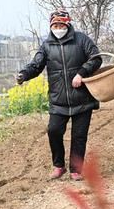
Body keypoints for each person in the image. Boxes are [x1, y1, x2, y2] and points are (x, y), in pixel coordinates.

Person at [16, 9, 102, 181]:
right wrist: (24, 74)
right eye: (55, 25)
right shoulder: (46, 45)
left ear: (67, 23)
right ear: (51, 26)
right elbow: (36, 65)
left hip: (82, 98)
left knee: (79, 136)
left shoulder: (82, 40)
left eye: (61, 24)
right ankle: (59, 166)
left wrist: (81, 73)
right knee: (53, 131)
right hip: (58, 99)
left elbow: (96, 58)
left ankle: (76, 170)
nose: (58, 27)